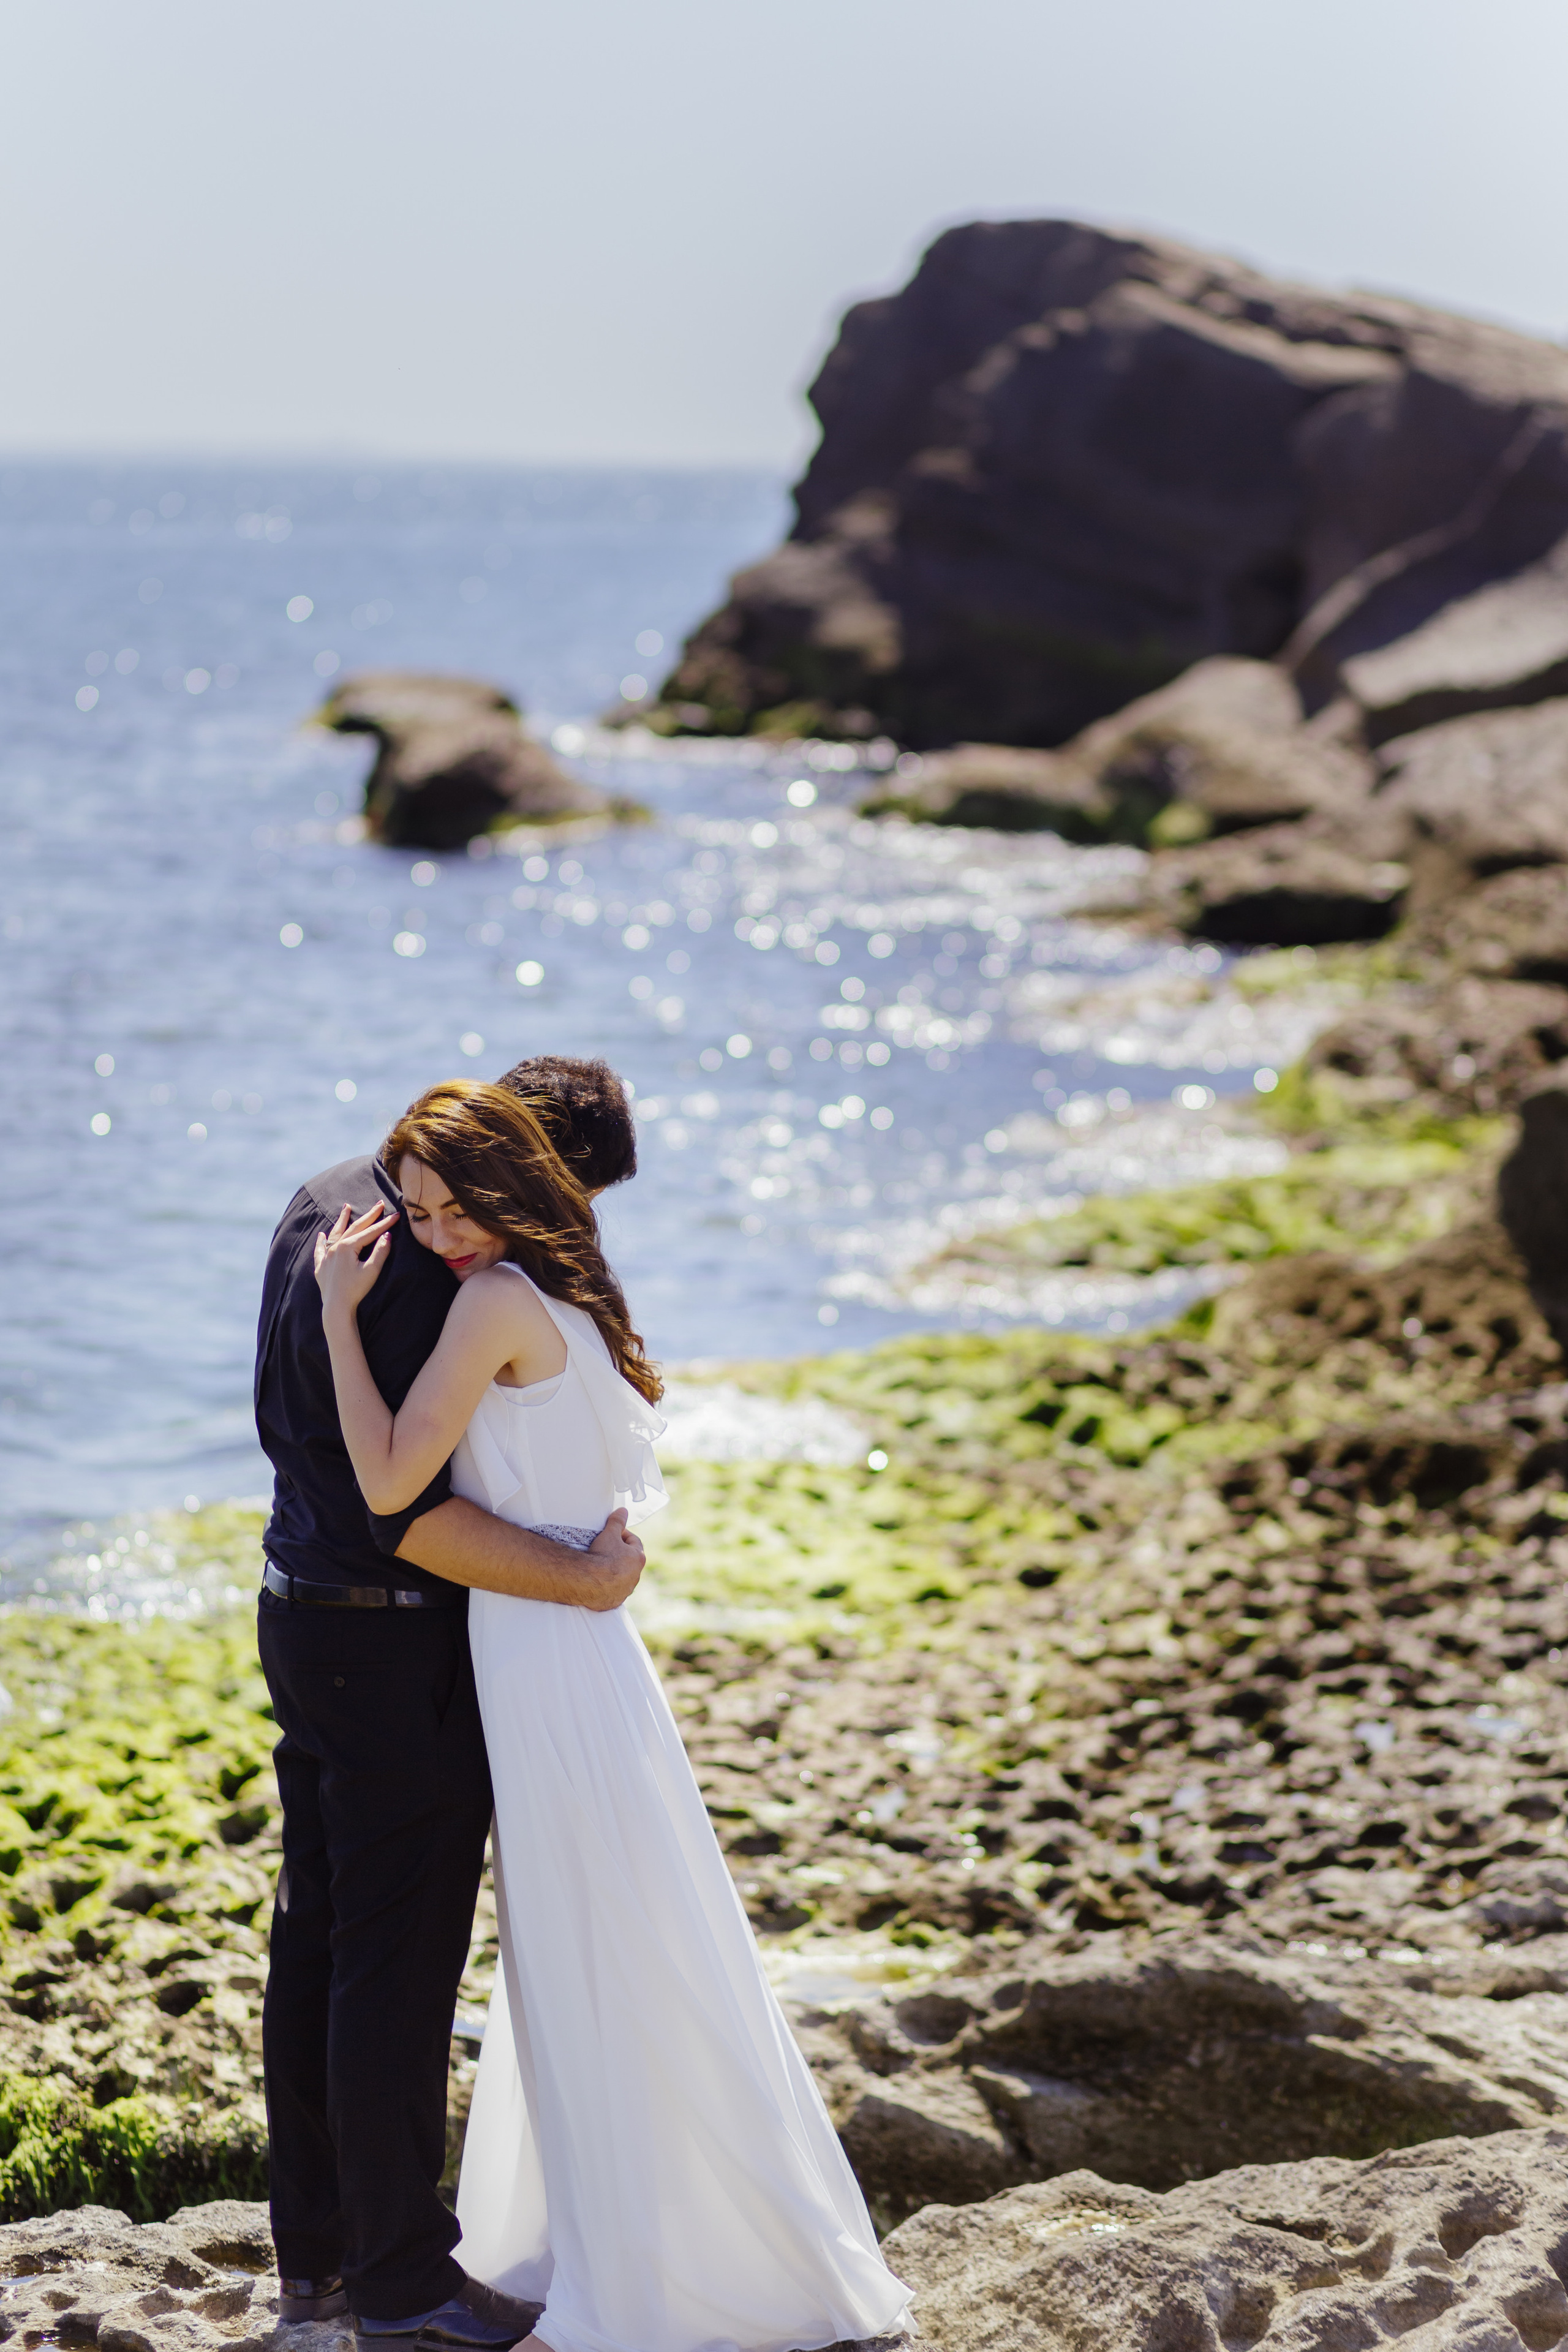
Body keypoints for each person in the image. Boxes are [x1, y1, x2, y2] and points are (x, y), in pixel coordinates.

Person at [314, 1079, 912, 2352]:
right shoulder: (581, 1289)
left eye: (447, 1207)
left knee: (584, 1945)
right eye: (411, 1218)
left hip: (540, 1651)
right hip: (589, 1652)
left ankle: (637, 2272)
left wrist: (334, 1314)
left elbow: (384, 1482)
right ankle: (645, 2237)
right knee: (621, 1938)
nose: (433, 1238)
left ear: (505, 1177)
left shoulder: (488, 1304)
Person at [254, 1057, 643, 2347]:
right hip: (394, 1639)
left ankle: (313, 2254)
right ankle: (405, 2282)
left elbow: (289, 1437)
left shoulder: (326, 1198)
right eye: (552, 1196)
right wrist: (583, 1581)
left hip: (296, 1614)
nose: (536, 1228)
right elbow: (413, 1517)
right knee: (396, 1966)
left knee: (315, 1938)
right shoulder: (437, 1268)